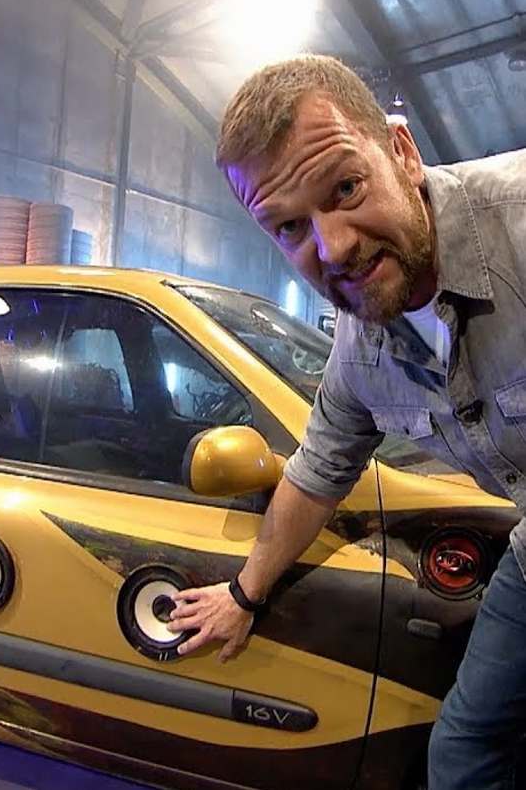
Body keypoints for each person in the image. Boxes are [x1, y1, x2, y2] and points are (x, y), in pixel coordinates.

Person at [166, 53, 526, 790]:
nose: (333, 247)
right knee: (463, 753)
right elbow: (317, 470)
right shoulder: (360, 352)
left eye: (346, 189)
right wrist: (243, 594)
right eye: (289, 227)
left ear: (403, 152)